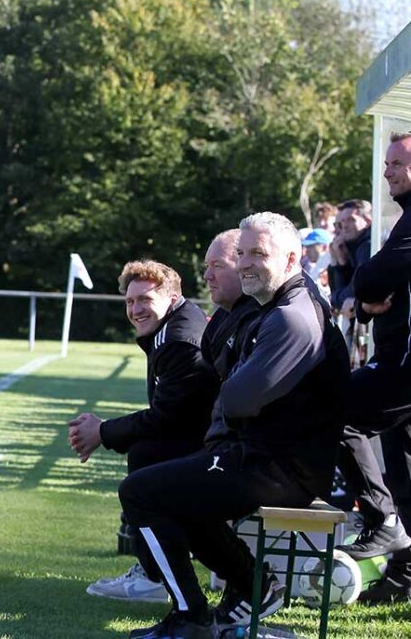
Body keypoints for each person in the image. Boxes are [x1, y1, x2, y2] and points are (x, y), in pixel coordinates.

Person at [118, 212, 349, 638]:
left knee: (141, 493)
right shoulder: (273, 308)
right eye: (241, 253)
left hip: (278, 467)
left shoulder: (290, 316)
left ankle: (192, 617)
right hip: (262, 457)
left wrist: (233, 385)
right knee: (166, 486)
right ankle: (252, 584)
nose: (245, 263)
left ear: (292, 258)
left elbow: (239, 398)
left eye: (258, 254)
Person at [68, 260, 217, 604]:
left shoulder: (178, 340)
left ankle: (156, 578)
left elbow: (168, 418)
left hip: (220, 450)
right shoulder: (179, 321)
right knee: (146, 452)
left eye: (145, 300)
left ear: (172, 296)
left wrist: (103, 432)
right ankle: (152, 569)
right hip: (211, 437)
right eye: (130, 302)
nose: (135, 310)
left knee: (145, 467)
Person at [334, 132, 411, 604]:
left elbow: (373, 276)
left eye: (397, 163)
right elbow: (369, 290)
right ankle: (404, 576)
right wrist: (365, 302)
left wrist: (364, 292)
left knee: (333, 408)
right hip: (398, 360)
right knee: (404, 472)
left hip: (403, 365)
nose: (387, 172)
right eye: (386, 164)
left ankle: (381, 520)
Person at [200, 229, 260, 382]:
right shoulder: (222, 316)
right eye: (207, 265)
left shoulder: (260, 319)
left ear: (243, 267)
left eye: (217, 265)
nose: (207, 275)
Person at [328, 199, 372, 317]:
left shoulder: (367, 246)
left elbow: (356, 289)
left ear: (367, 221)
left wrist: (332, 299)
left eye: (351, 220)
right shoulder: (351, 246)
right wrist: (341, 262)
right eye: (342, 222)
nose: (344, 227)